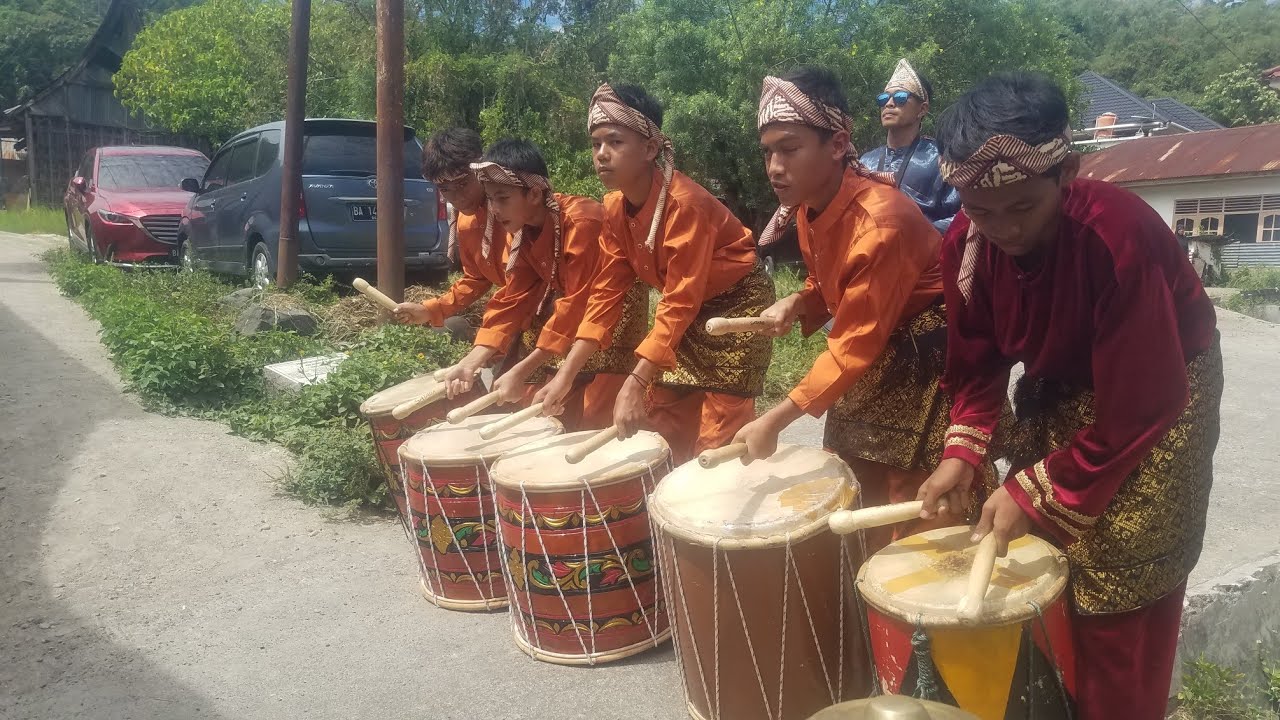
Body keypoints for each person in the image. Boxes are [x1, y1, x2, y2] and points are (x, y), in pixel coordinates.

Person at [916, 72, 1222, 720]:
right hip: (1070, 383)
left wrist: (1037, 488)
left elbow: (1142, 402)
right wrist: (961, 453)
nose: (1001, 228)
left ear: (1067, 174)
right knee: (1045, 564)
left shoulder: (1118, 235)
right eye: (979, 209)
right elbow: (975, 368)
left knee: (1123, 575)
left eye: (1021, 207)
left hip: (1165, 388)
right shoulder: (966, 246)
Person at [740, 67, 955, 550]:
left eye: (789, 149)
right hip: (877, 346)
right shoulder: (810, 207)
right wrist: (798, 300)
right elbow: (830, 280)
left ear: (837, 144)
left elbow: (853, 342)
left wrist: (775, 420)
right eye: (768, 151)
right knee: (854, 483)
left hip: (927, 362)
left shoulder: (881, 220)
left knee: (915, 507)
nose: (774, 165)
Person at [535, 83, 774, 464]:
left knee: (719, 434)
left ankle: (720, 514)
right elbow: (604, 298)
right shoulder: (614, 208)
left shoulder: (686, 204)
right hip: (687, 308)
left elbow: (679, 299)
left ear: (650, 148)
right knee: (665, 418)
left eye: (614, 142)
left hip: (737, 307)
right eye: (595, 143)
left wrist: (636, 377)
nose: (601, 154)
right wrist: (565, 373)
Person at [439, 139, 643, 430]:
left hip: (612, 315)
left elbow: (577, 303)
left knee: (594, 415)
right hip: (574, 318)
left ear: (534, 194)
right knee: (550, 408)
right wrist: (472, 361)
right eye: (490, 199)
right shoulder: (522, 231)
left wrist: (524, 368)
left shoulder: (581, 222)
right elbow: (513, 297)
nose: (494, 210)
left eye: (502, 198)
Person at [393, 128, 508, 343]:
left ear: (481, 170)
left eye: (463, 183)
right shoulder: (465, 223)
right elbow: (476, 279)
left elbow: (526, 287)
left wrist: (490, 341)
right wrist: (430, 310)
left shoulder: (514, 212)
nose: (458, 198)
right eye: (445, 189)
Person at [859, 59, 960, 234]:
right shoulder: (866, 161)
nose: (889, 104)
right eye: (884, 99)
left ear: (922, 109)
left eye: (900, 97)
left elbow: (963, 215)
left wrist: (917, 235)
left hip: (925, 257)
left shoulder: (940, 158)